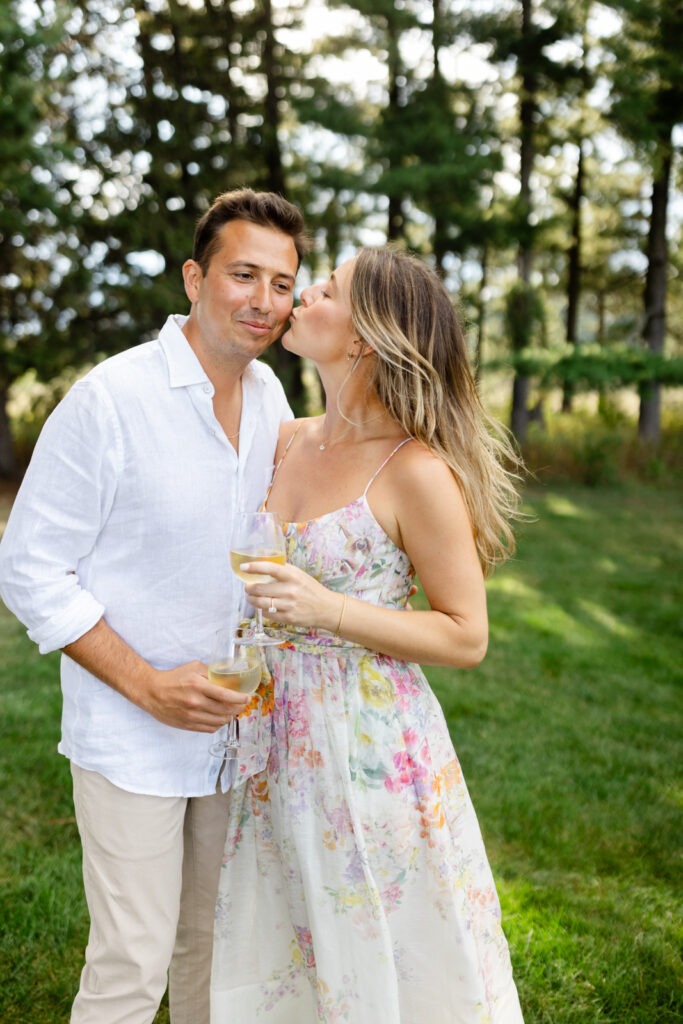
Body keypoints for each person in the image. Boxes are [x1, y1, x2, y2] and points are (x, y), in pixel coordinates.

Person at [0, 188, 310, 1024]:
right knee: (132, 962)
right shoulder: (111, 399)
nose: (264, 300)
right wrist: (146, 684)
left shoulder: (271, 400)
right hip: (130, 734)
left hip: (234, 732)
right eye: (243, 274)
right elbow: (28, 568)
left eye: (282, 283)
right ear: (194, 279)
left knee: (213, 947)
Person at [210, 246, 526, 1023]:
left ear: (362, 337)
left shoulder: (414, 471)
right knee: (286, 941)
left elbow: (466, 635)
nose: (300, 296)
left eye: (325, 290)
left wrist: (330, 610)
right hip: (273, 737)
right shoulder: (284, 440)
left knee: (375, 942)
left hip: (368, 746)